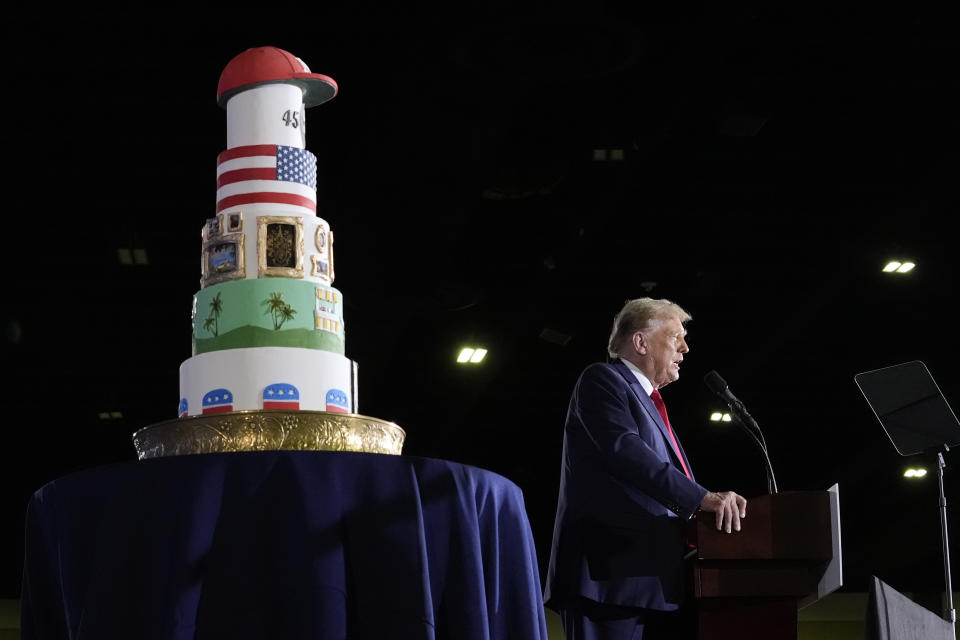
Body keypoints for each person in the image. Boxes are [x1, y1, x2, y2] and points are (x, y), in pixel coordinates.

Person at [544, 297, 747, 640]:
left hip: (650, 579)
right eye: (675, 337)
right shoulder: (603, 379)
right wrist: (701, 498)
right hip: (608, 576)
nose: (685, 347)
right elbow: (624, 450)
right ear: (640, 342)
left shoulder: (652, 404)